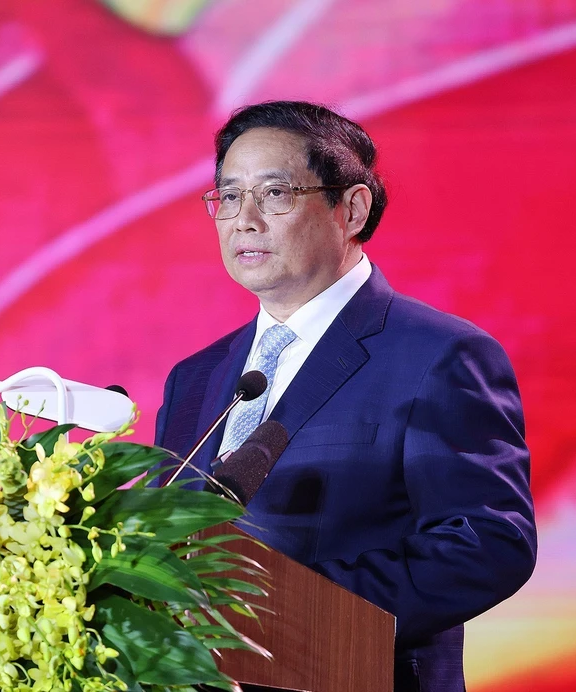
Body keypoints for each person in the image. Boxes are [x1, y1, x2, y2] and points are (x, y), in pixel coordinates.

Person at [153, 101, 536, 692]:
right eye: (227, 196)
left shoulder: (437, 355)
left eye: (274, 193)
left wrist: (287, 613)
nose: (244, 219)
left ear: (351, 208)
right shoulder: (196, 376)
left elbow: (487, 542)